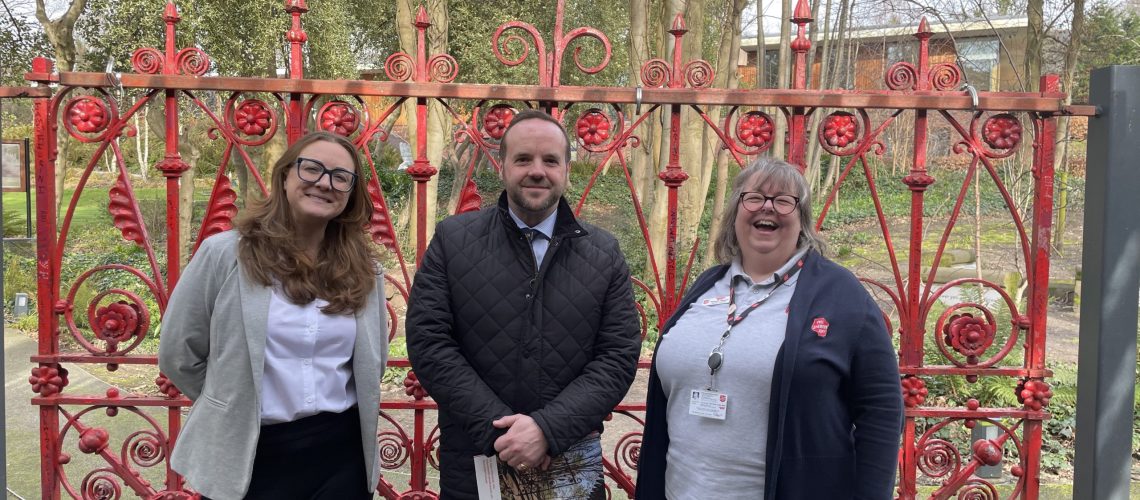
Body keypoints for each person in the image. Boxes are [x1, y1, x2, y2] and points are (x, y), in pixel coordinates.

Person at [635, 157, 903, 499]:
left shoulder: (841, 293)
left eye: (784, 200)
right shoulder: (708, 284)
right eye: (755, 197)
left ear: (801, 218)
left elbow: (881, 407)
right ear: (736, 211)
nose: (768, 208)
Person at [406, 109, 641, 499]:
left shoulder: (603, 253)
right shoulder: (453, 240)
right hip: (476, 460)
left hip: (569, 463)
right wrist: (500, 431)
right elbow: (430, 342)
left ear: (566, 169)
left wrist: (548, 430)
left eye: (550, 160)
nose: (537, 170)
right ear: (502, 167)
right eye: (523, 159)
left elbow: (617, 356)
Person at [158, 131, 388, 500]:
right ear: (284, 176)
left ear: (351, 193)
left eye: (340, 176)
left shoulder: (365, 270)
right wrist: (233, 400)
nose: (324, 183)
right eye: (311, 169)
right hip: (250, 454)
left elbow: (370, 362)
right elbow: (178, 354)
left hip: (341, 456)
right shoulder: (225, 255)